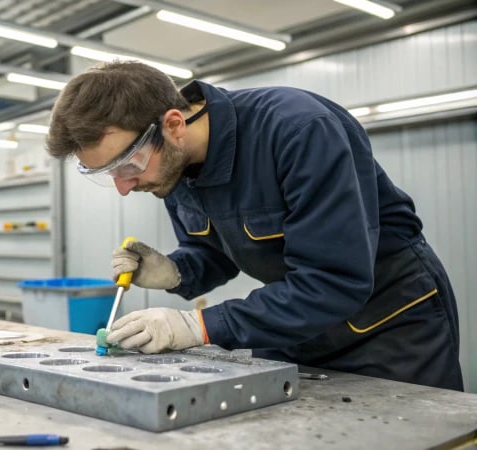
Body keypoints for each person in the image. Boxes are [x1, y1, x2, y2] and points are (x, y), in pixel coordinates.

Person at [45, 61, 463, 391]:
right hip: (293, 326)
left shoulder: (297, 129)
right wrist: (177, 271)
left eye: (129, 165)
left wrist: (198, 326)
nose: (124, 187)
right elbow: (214, 251)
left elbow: (334, 280)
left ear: (173, 125)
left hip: (388, 325)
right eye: (106, 174)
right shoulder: (173, 165)